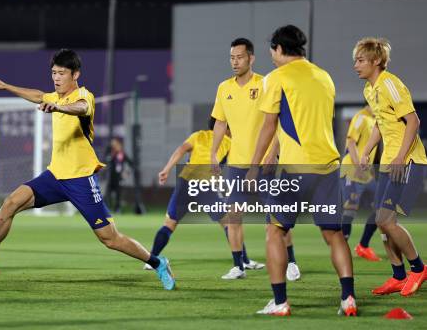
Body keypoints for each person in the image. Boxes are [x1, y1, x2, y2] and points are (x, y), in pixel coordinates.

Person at [0, 49, 175, 290]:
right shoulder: (54, 96)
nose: (56, 78)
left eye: (62, 73)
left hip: (80, 180)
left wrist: (59, 108)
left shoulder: (84, 96)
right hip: (54, 177)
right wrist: (6, 86)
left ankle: (158, 263)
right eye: (53, 73)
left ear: (76, 74)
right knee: (10, 204)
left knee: (110, 239)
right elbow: (39, 95)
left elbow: (81, 108)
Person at [248, 25, 356, 316]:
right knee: (334, 235)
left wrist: (254, 167)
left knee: (274, 230)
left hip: (297, 169)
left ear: (279, 49)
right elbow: (304, 121)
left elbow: (270, 125)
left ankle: (280, 302)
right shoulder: (324, 76)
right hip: (329, 167)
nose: (271, 56)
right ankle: (348, 299)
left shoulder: (277, 78)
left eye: (272, 50)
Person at [210, 38, 299, 281]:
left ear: (251, 58)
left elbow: (280, 122)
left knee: (276, 217)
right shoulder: (224, 88)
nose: (235, 61)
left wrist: (273, 153)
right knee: (234, 216)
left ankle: (291, 263)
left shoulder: (267, 83)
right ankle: (238, 266)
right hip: (236, 164)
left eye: (239, 57)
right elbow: (220, 123)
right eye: (231, 57)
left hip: (264, 164)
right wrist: (214, 153)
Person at [354, 37, 427, 296]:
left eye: (361, 60)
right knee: (381, 219)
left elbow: (413, 121)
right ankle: (398, 275)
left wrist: (399, 157)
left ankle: (418, 268)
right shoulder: (369, 90)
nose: (356, 65)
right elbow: (380, 124)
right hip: (388, 163)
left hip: (406, 161)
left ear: (376, 61)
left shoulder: (390, 84)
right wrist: (366, 151)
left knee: (385, 219)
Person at [146, 116, 265, 276]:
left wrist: (166, 169)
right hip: (204, 184)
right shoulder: (228, 141)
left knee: (170, 223)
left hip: (185, 181)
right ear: (226, 129)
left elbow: (181, 149)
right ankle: (244, 260)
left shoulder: (198, 135)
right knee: (229, 222)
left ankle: (151, 260)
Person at [340, 105, 380, 261]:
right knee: (350, 210)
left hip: (366, 174)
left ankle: (363, 246)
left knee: (381, 209)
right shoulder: (361, 117)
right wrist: (357, 166)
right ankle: (341, 250)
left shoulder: (375, 120)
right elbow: (350, 142)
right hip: (352, 170)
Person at [105, 137, 133, 213]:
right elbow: (106, 161)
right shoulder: (109, 151)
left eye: (116, 144)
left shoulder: (122, 154)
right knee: (108, 194)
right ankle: (107, 209)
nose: (115, 145)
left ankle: (117, 209)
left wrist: (127, 173)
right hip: (110, 177)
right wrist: (112, 154)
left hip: (119, 177)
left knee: (118, 194)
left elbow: (130, 163)